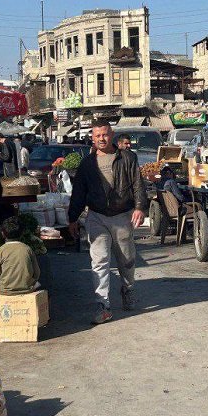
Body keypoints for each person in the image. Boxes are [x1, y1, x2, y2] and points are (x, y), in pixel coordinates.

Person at [68, 119, 147, 324]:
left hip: (122, 215)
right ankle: (103, 305)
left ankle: (128, 289)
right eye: (97, 136)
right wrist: (72, 218)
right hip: (96, 216)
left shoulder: (127, 157)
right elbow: (78, 193)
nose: (101, 139)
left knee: (127, 259)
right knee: (100, 261)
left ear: (111, 135)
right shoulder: (86, 164)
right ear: (92, 138)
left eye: (104, 134)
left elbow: (138, 184)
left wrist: (139, 207)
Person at [0, 216, 41, 296]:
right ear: (22, 233)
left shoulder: (0, 251)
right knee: (38, 284)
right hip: (27, 289)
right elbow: (36, 273)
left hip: (5, 291)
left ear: (2, 233)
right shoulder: (27, 249)